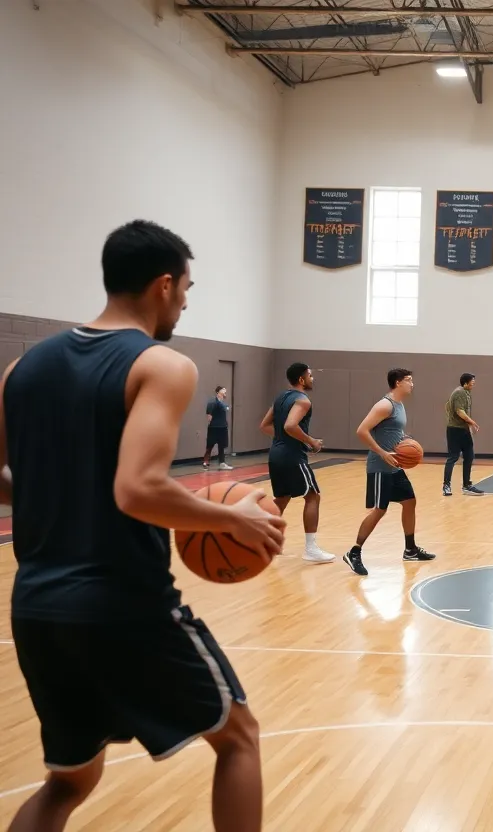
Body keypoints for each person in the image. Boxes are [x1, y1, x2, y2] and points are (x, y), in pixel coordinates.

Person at [0, 220, 284, 832]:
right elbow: (138, 489)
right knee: (238, 737)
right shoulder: (162, 365)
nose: (184, 302)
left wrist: (59, 497)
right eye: (185, 289)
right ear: (162, 285)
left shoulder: (20, 371)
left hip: (37, 608)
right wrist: (228, 519)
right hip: (122, 602)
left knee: (67, 781)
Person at [342, 368, 436, 576]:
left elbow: (391, 431)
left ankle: (410, 549)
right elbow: (362, 431)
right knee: (379, 510)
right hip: (380, 466)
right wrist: (382, 452)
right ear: (397, 382)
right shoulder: (384, 405)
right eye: (409, 380)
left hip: (395, 466)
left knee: (409, 501)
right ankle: (354, 552)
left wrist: (404, 438)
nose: (412, 384)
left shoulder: (399, 405)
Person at [259, 363, 334, 563]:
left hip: (275, 454)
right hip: (292, 456)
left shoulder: (280, 398)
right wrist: (311, 442)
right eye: (310, 375)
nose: (312, 378)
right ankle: (311, 549)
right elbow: (290, 425)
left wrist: (285, 437)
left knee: (282, 498)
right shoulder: (303, 401)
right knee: (312, 497)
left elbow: (264, 425)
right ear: (301, 380)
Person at [443, 372, 483, 496]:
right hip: (455, 430)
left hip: (463, 429)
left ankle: (467, 485)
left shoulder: (467, 393)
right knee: (453, 457)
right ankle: (446, 485)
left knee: (469, 456)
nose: (473, 385)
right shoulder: (459, 392)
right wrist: (473, 422)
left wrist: (469, 425)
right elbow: (460, 411)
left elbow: (448, 406)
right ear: (465, 383)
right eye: (471, 383)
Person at [202, 385, 232, 470]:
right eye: (223, 390)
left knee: (221, 446)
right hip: (214, 428)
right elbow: (209, 416)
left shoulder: (224, 404)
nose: (225, 391)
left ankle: (222, 463)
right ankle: (205, 462)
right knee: (210, 445)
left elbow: (226, 410)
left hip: (223, 428)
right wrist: (211, 424)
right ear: (218, 392)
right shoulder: (212, 402)